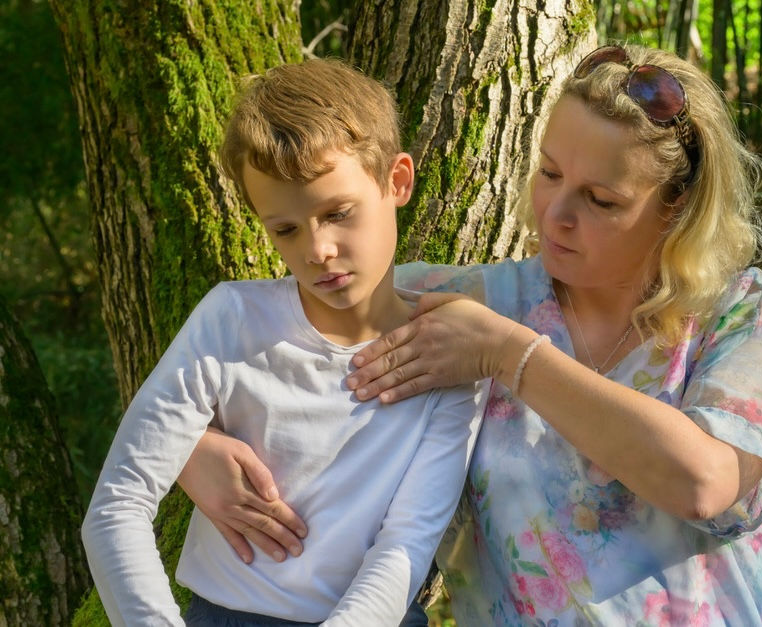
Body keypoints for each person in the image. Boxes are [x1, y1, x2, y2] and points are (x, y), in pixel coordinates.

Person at [178, 44, 762, 625]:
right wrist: (191, 451)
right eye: (549, 173)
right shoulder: (458, 304)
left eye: (600, 200)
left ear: (677, 206)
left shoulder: (743, 308)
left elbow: (705, 483)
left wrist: (508, 355)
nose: (555, 213)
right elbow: (240, 348)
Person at [81, 58, 486, 627]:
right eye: (286, 229)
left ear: (397, 181)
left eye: (338, 213)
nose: (317, 250)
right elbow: (117, 505)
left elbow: (406, 544)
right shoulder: (232, 319)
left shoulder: (449, 355)